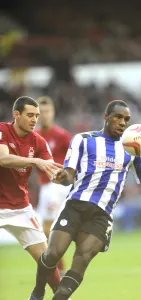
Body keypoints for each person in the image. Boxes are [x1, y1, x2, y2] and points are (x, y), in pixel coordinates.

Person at [29, 100, 141, 300]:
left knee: (81, 261)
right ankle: (37, 292)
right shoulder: (83, 140)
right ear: (106, 117)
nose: (122, 122)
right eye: (118, 117)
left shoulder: (132, 150)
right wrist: (62, 177)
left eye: (126, 119)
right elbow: (69, 174)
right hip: (75, 206)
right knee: (52, 255)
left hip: (101, 216)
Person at [0, 96, 64, 297]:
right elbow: (3, 158)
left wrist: (64, 175)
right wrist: (36, 161)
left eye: (36, 116)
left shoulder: (38, 141)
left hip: (21, 208)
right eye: (30, 115)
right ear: (16, 115)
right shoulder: (2, 130)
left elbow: (52, 171)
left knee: (47, 261)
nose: (35, 119)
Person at [35, 96, 72, 275]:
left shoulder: (62, 135)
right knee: (47, 229)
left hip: (57, 187)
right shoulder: (34, 136)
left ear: (53, 112)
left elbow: (75, 158)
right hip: (45, 187)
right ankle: (59, 267)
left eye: (47, 111)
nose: (44, 115)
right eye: (41, 113)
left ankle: (59, 268)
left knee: (49, 228)